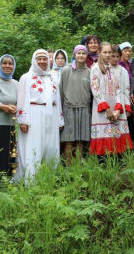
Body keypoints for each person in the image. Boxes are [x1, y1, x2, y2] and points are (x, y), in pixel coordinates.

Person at [15, 49, 64, 183]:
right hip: (33, 114)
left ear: (48, 61)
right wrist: (23, 120)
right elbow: (21, 99)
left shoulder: (52, 77)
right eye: (39, 58)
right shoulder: (26, 77)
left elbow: (57, 99)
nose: (42, 61)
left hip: (51, 115)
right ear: (34, 60)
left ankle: (49, 179)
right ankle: (31, 181)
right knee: (34, 146)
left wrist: (60, 120)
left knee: (50, 146)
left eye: (44, 59)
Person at [90, 43, 133, 156]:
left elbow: (119, 89)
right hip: (102, 108)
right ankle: (103, 164)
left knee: (116, 134)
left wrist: (119, 108)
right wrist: (107, 109)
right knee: (104, 135)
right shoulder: (95, 69)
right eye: (105, 52)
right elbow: (95, 90)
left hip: (115, 108)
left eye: (110, 52)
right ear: (99, 52)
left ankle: (118, 161)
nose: (108, 55)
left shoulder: (114, 70)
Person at [59, 45, 91, 165]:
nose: (81, 55)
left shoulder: (89, 71)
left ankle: (78, 166)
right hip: (69, 108)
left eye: (83, 53)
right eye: (79, 53)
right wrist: (61, 111)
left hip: (84, 108)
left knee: (80, 140)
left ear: (86, 55)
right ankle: (68, 165)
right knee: (69, 139)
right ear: (74, 55)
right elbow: (61, 90)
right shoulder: (66, 70)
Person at [0, 54, 18, 175]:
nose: (7, 66)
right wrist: (3, 106)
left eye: (10, 63)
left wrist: (16, 108)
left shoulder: (17, 83)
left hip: (13, 124)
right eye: (4, 63)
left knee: (10, 152)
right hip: (0, 122)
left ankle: (8, 180)